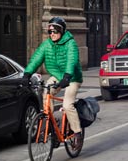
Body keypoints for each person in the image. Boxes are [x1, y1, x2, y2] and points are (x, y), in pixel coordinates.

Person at [23, 17, 84, 147]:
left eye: (55, 32)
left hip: (72, 77)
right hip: (57, 75)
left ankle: (77, 133)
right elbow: (36, 58)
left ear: (61, 31)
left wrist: (67, 77)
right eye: (49, 32)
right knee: (46, 93)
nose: (52, 35)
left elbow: (71, 61)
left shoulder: (70, 43)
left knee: (67, 105)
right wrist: (27, 74)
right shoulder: (47, 44)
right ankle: (50, 123)